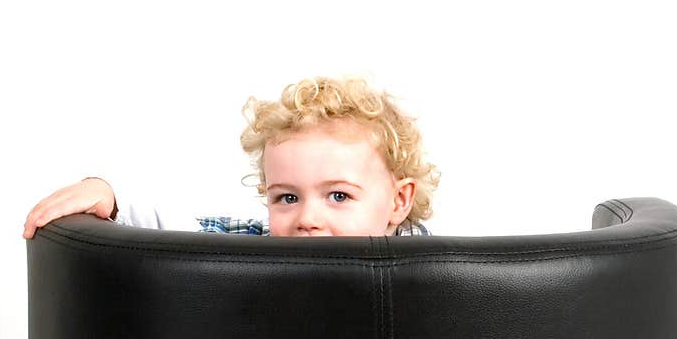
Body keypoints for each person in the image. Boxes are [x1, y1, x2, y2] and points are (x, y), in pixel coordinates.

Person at [22, 76, 441, 239]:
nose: (307, 218)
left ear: (398, 202)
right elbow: (184, 233)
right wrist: (109, 196)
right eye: (287, 198)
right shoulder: (260, 248)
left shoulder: (431, 271)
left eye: (338, 196)